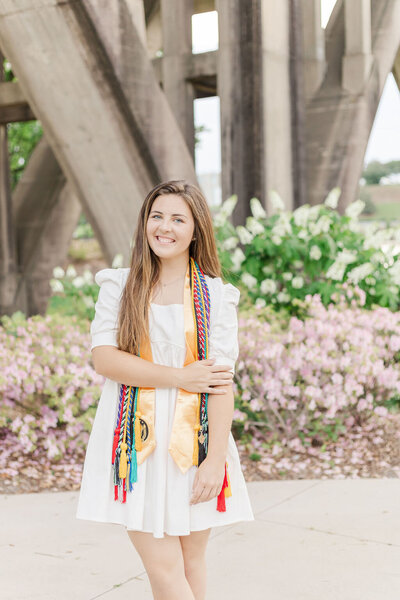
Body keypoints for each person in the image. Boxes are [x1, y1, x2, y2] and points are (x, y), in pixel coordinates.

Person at [76, 179, 254, 599]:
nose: (165, 227)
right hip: (135, 448)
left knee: (191, 565)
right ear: (145, 222)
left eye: (178, 218)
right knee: (165, 570)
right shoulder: (120, 286)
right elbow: (106, 360)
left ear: (196, 230)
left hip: (196, 446)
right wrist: (180, 377)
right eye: (157, 216)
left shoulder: (214, 296)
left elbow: (220, 385)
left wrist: (215, 463)